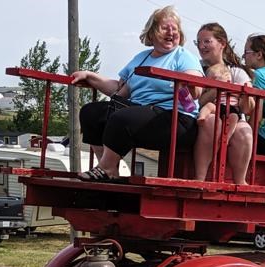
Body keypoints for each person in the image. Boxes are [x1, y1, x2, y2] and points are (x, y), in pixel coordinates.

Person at [73, 5, 203, 181]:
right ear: (151, 33)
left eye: (175, 29)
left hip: (176, 120)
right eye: (165, 28)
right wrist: (91, 76)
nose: (171, 32)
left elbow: (196, 88)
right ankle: (108, 167)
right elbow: (120, 91)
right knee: (91, 112)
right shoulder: (141, 57)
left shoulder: (183, 56)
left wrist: (188, 82)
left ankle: (106, 168)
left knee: (123, 117)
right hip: (142, 114)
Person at [193, 22, 255, 185]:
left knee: (245, 131)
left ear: (222, 43)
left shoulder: (236, 71)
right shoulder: (196, 68)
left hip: (232, 113)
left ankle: (240, 181)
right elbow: (193, 101)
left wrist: (246, 93)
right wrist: (217, 89)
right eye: (199, 42)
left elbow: (248, 108)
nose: (202, 46)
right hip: (207, 114)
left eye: (207, 41)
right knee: (212, 122)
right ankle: (200, 178)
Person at [197, 63, 240, 141]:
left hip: (231, 109)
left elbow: (240, 93)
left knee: (234, 117)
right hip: (217, 106)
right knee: (209, 105)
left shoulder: (234, 86)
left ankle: (226, 138)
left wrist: (230, 88)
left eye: (215, 79)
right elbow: (201, 99)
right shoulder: (210, 89)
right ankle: (202, 117)